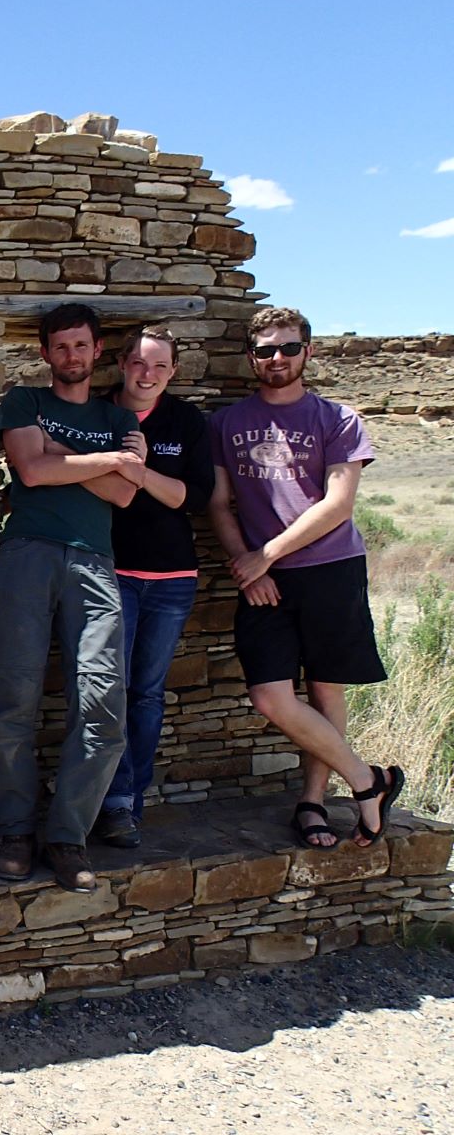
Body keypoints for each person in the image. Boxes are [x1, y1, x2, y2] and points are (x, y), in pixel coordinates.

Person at [207, 306, 403, 849]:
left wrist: (264, 555)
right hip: (263, 579)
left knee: (324, 688)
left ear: (308, 352)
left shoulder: (337, 419)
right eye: (266, 350)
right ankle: (370, 782)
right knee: (271, 696)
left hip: (329, 568)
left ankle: (313, 802)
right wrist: (250, 569)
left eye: (288, 348)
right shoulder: (224, 424)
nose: (277, 359)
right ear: (252, 357)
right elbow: (219, 504)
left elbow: (338, 504)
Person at [0, 302, 146, 892]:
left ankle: (67, 835)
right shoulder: (25, 403)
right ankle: (15, 829)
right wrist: (107, 462)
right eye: (61, 347)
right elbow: (29, 471)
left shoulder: (114, 416)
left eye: (81, 346)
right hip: (27, 553)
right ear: (45, 353)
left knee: (103, 704)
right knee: (15, 695)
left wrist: (62, 455)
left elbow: (125, 497)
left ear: (97, 350)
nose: (72, 356)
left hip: (95, 561)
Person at [89, 326, 214, 849]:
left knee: (146, 695)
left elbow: (194, 497)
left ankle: (129, 803)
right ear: (121, 363)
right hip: (111, 570)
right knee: (107, 690)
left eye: (159, 366)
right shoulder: (97, 414)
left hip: (172, 578)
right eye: (139, 363)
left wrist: (139, 472)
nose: (148, 374)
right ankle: (110, 802)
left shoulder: (185, 420)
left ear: (173, 373)